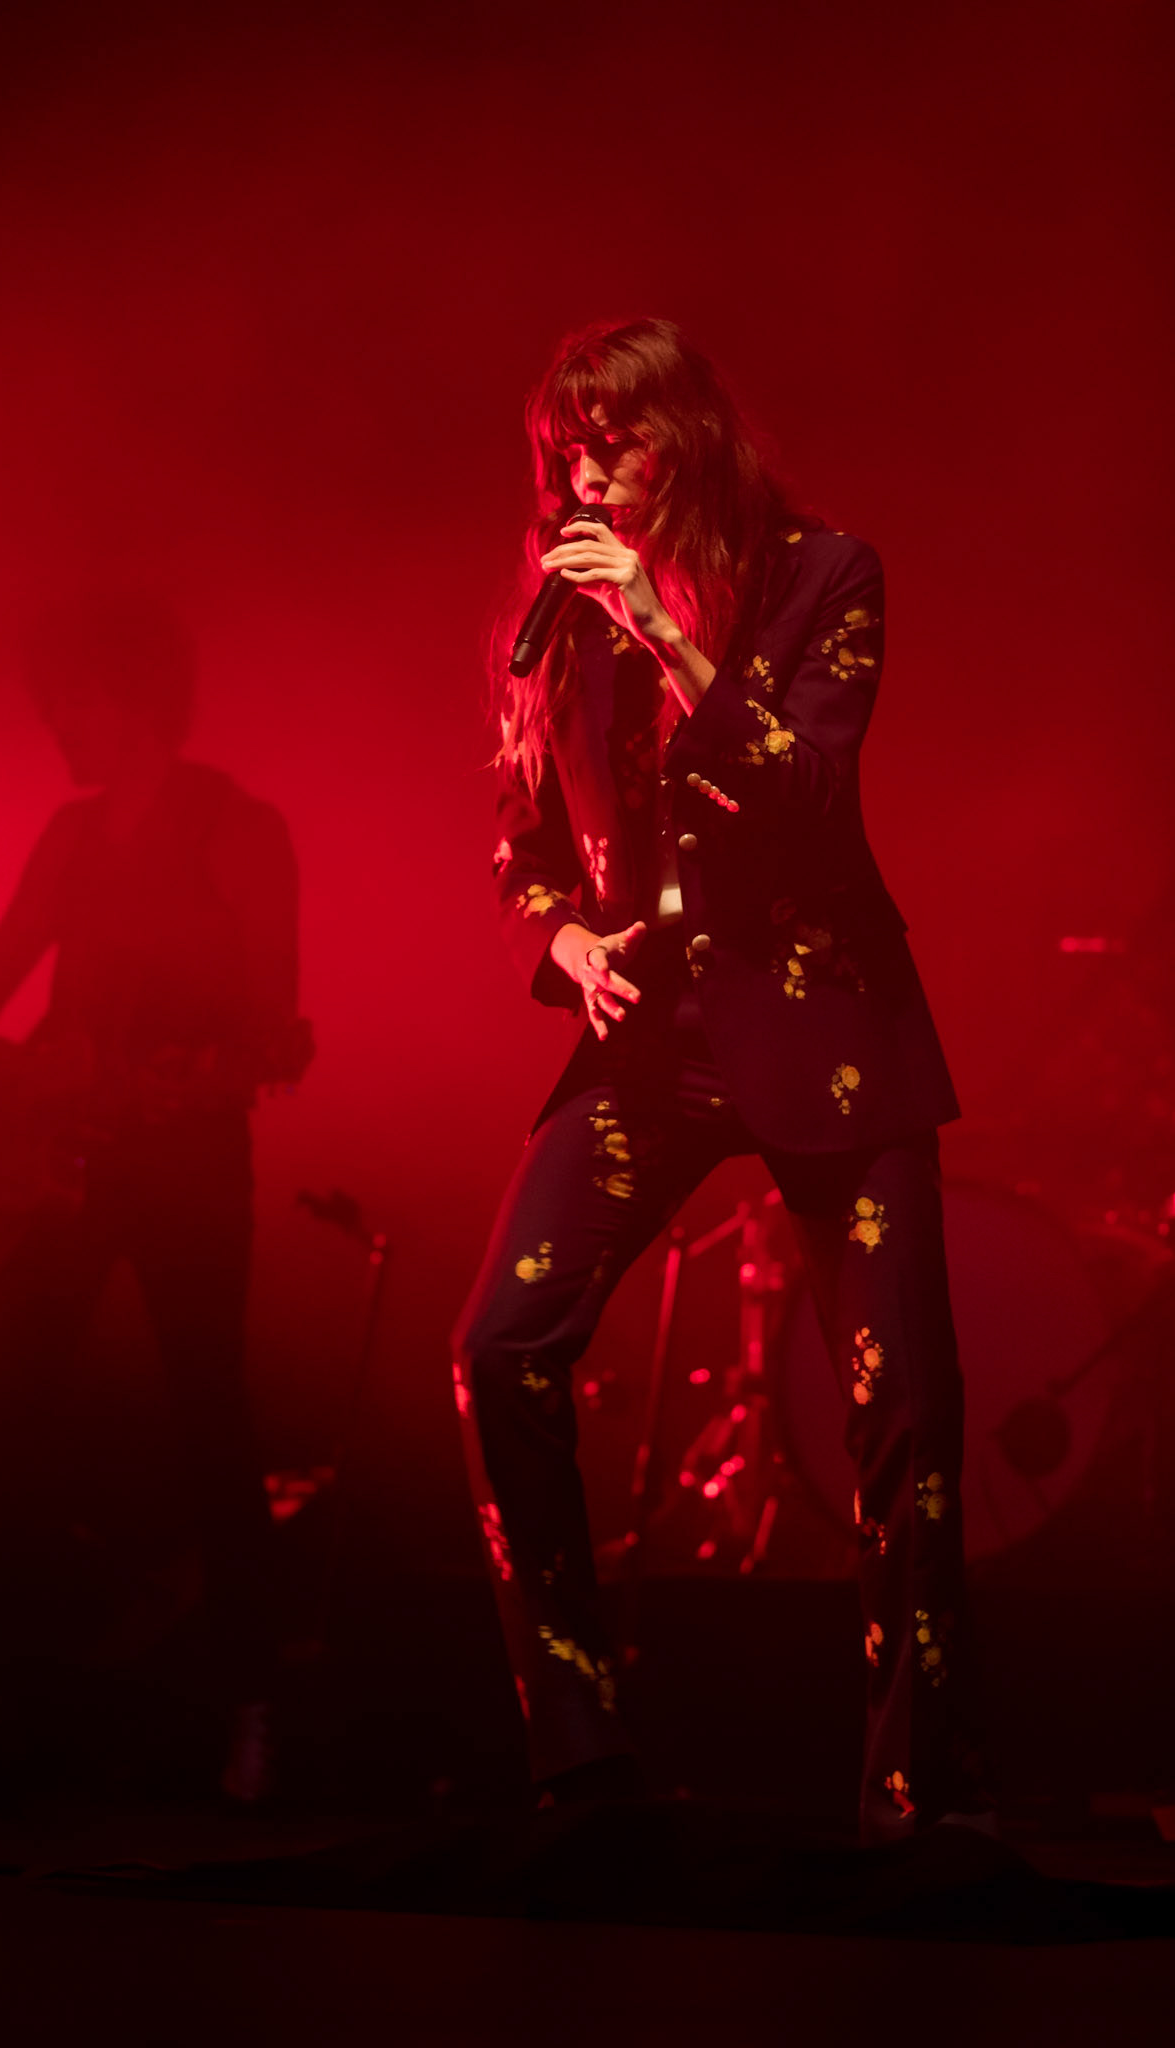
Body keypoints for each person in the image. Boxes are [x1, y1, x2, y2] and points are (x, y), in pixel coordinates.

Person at [453, 318, 992, 1842]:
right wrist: (561, 945)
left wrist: (668, 640)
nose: (587, 476)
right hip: (657, 1032)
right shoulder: (555, 618)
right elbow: (520, 845)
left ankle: (915, 1782)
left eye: (611, 444)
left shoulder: (825, 575)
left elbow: (808, 795)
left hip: (825, 1022)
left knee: (904, 1416)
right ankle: (580, 1755)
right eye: (566, 453)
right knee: (500, 1346)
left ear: (681, 439)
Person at [0, 591, 310, 1805]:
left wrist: (201, 1070)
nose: (55, 722)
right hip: (56, 1169)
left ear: (130, 697)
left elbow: (273, 1024)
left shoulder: (238, 829)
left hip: (183, 1156)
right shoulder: (70, 837)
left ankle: (255, 1709)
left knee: (209, 1421)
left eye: (69, 698)